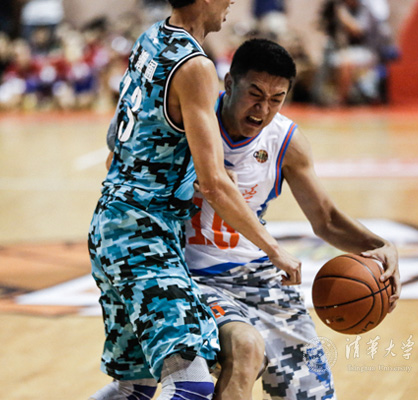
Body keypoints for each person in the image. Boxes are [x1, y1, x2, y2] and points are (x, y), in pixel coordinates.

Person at [89, 1, 301, 399]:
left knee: (134, 389)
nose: (232, 1)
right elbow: (215, 184)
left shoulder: (150, 39)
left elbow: (114, 148)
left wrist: (181, 175)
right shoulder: (196, 66)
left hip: (110, 225)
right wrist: (275, 250)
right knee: (190, 386)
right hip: (145, 237)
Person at [184, 38, 401, 399]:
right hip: (194, 276)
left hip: (259, 276)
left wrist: (379, 245)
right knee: (244, 351)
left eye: (276, 98)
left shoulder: (286, 140)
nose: (263, 109)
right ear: (230, 84)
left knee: (312, 392)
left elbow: (326, 219)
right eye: (255, 94)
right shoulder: (191, 122)